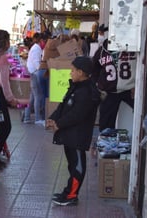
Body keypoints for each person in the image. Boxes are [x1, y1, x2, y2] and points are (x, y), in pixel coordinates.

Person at [46, 56, 101, 206]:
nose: (70, 73)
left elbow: (77, 114)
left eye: (73, 70)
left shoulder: (88, 92)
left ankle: (71, 195)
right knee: (71, 164)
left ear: (81, 72)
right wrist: (53, 119)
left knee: (77, 165)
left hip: (78, 135)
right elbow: (63, 106)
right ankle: (68, 191)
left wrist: (59, 124)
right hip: (69, 134)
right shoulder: (75, 86)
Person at [91, 37, 136, 132]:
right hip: (109, 91)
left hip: (130, 88)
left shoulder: (133, 46)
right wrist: (99, 86)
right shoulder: (102, 50)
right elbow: (94, 69)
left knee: (144, 112)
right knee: (106, 123)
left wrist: (137, 85)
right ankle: (106, 143)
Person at [0, 29, 21, 170]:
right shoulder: (3, 57)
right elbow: (4, 81)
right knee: (5, 127)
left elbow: (12, 64)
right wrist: (11, 98)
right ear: (6, 41)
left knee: (0, 126)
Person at [24, 32, 47, 126]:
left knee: (32, 98)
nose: (45, 44)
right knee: (38, 96)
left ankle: (26, 117)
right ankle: (37, 118)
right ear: (41, 40)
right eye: (45, 41)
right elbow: (37, 65)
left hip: (32, 74)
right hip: (34, 74)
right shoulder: (36, 49)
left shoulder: (35, 48)